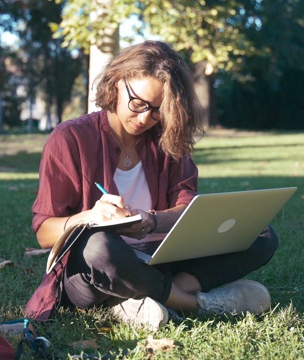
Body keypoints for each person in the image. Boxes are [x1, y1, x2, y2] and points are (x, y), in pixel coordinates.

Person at [25, 40, 279, 330]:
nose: (145, 118)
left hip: (157, 258)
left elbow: (186, 207)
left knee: (261, 233)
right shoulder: (70, 139)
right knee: (99, 246)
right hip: (92, 271)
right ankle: (194, 303)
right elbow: (44, 233)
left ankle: (142, 297)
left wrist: (151, 220)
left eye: (158, 110)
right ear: (118, 82)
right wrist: (89, 218)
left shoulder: (166, 138)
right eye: (139, 104)